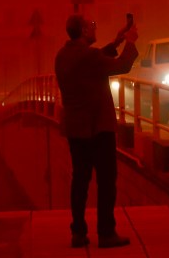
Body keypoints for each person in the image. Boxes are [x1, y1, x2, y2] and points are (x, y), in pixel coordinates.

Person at [54, 14, 138, 249]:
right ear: (83, 30)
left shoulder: (62, 55)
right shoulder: (88, 56)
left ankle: (78, 232)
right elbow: (121, 65)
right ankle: (106, 232)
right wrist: (131, 42)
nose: (94, 28)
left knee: (80, 180)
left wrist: (117, 41)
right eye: (91, 26)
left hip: (75, 128)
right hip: (98, 127)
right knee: (106, 180)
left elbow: (95, 62)